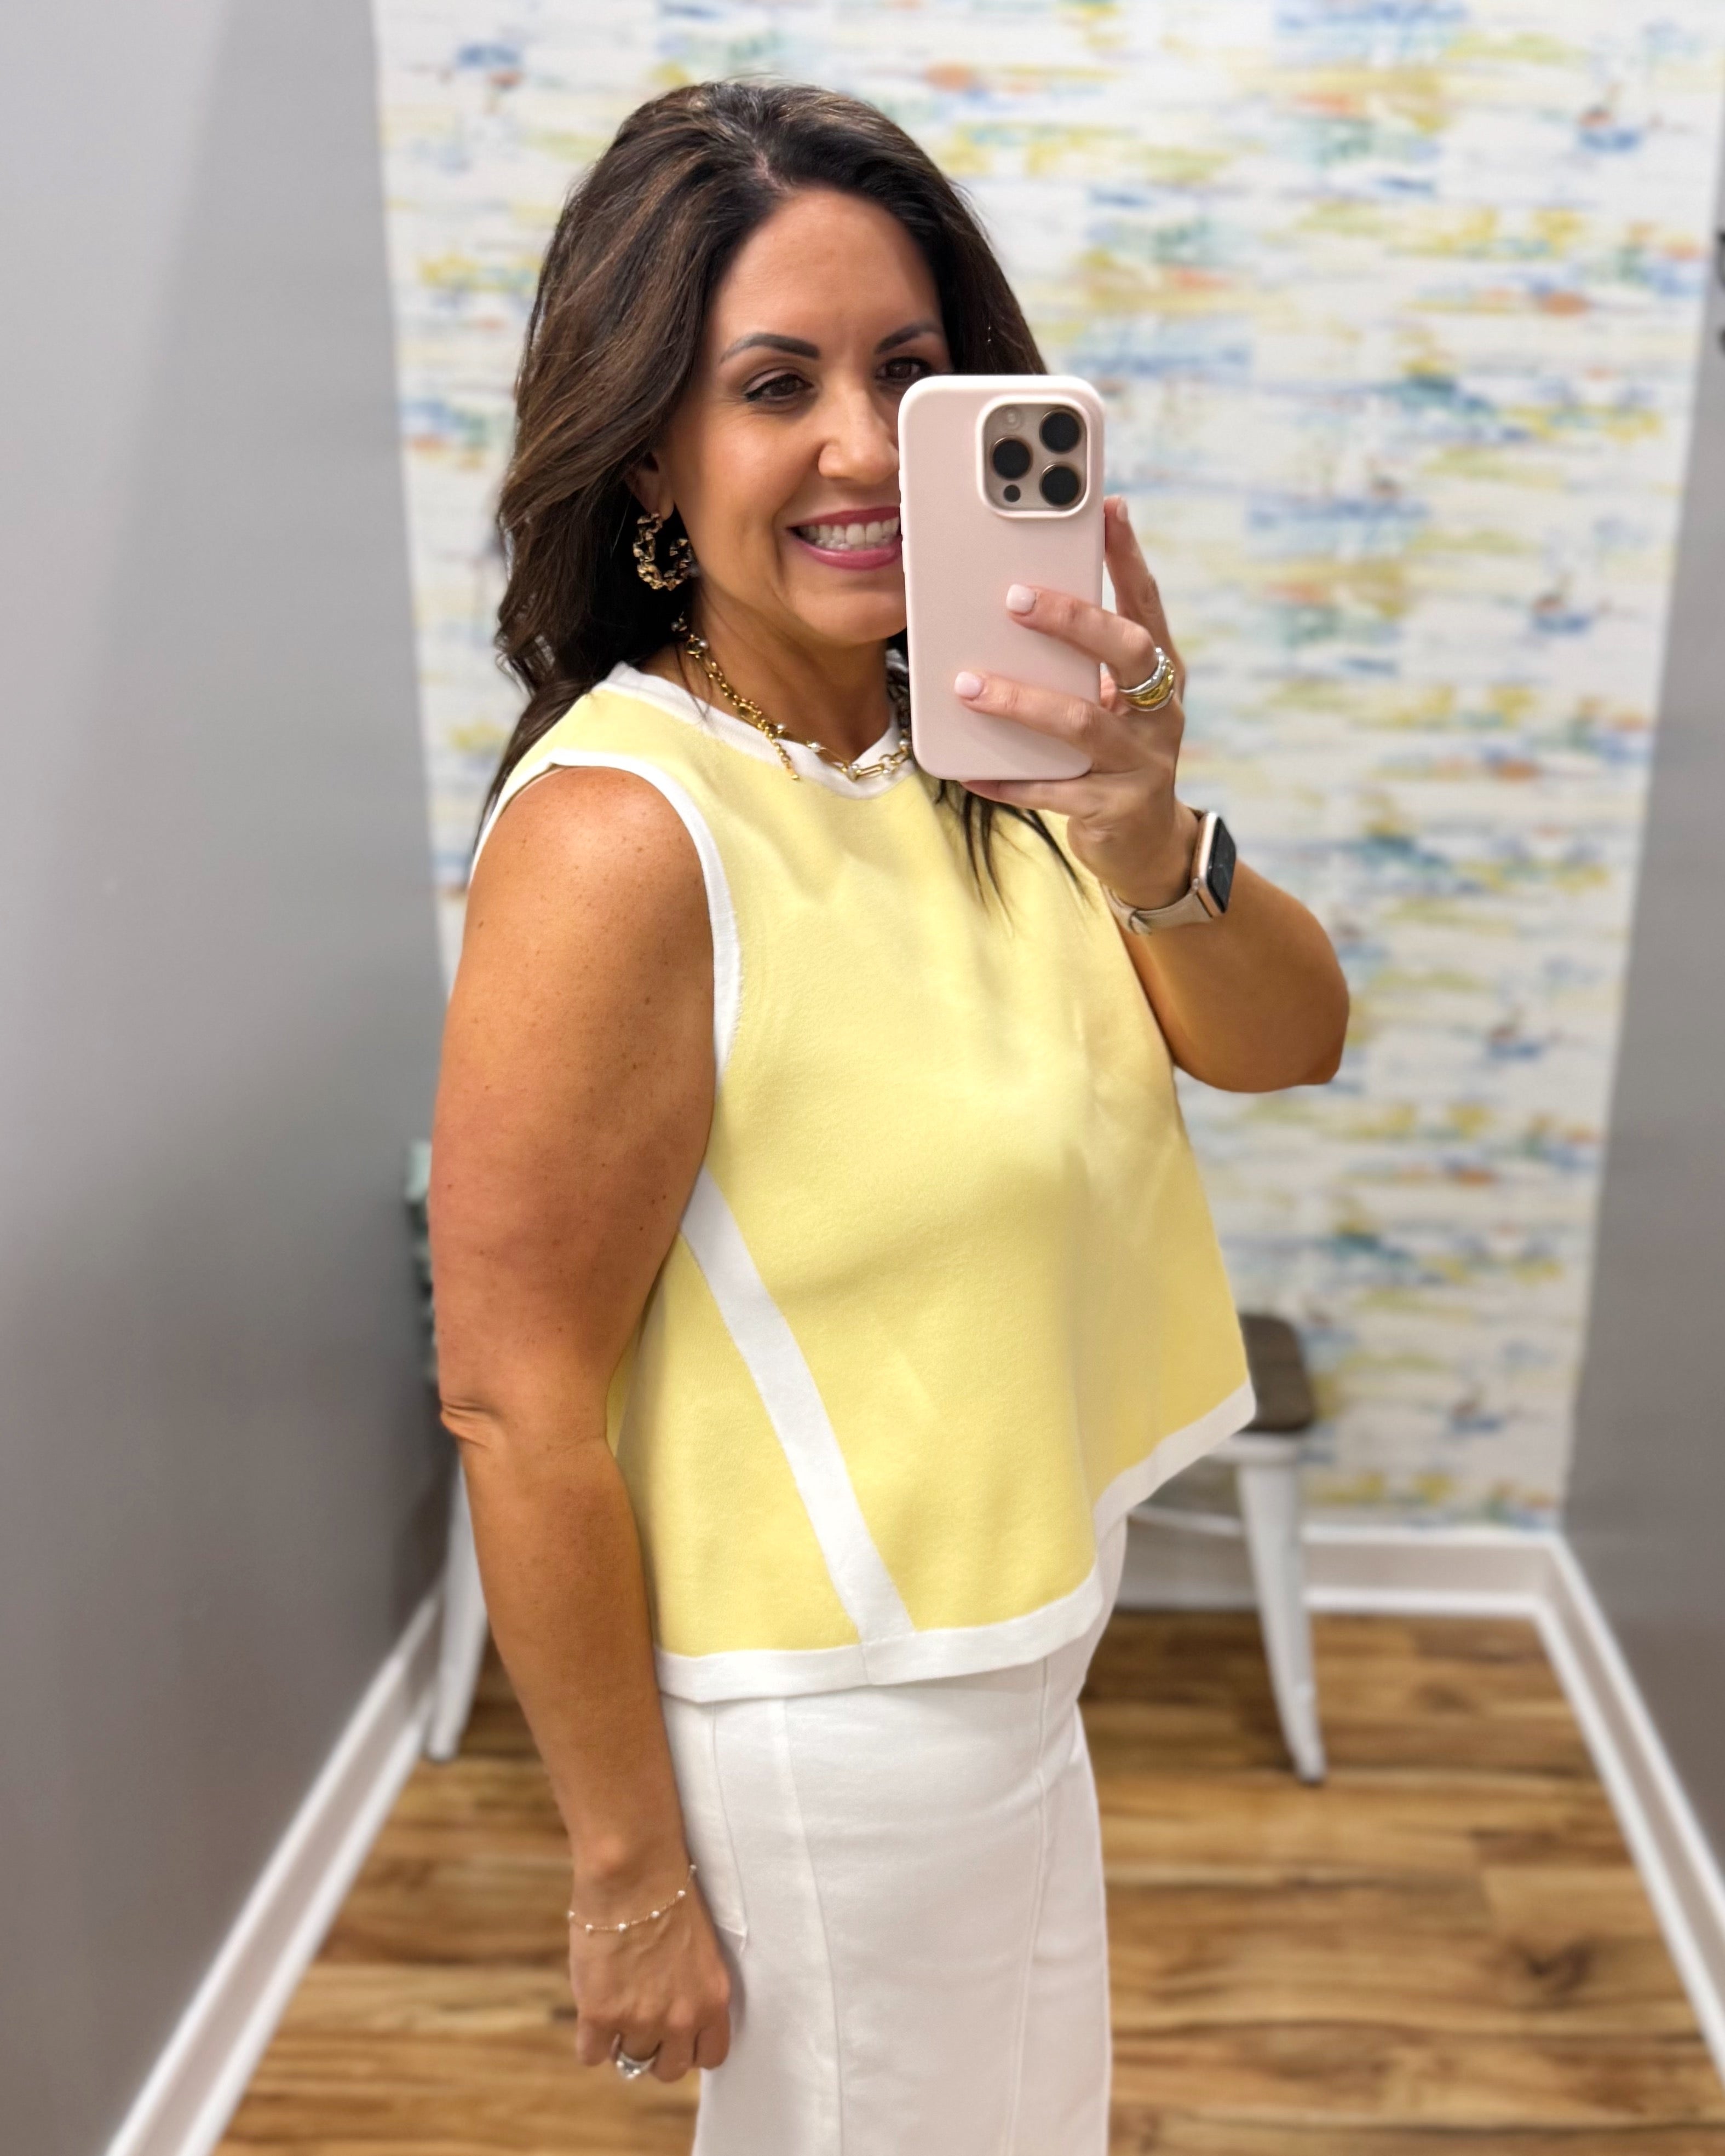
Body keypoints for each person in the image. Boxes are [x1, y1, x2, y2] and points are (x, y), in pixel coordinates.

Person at [429, 78, 1347, 2155]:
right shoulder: (625, 833)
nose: (860, 445)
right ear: (654, 447)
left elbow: (1288, 1039)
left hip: (1005, 1659)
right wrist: (626, 1870)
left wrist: (1137, 815)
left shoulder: (981, 748)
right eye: (776, 385)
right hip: (828, 1727)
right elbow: (515, 1399)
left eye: (912, 373)